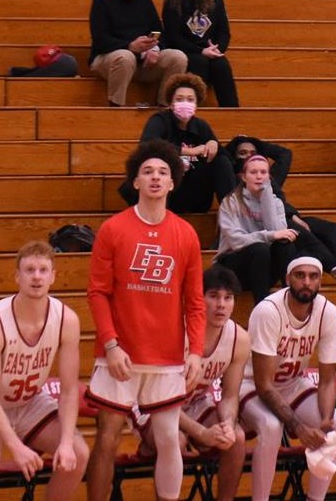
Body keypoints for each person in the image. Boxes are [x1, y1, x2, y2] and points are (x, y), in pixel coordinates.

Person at [87, 140, 206, 501]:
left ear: (173, 183)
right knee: (107, 439)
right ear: (136, 182)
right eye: (148, 172)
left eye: (163, 172)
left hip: (167, 355)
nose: (156, 178)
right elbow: (97, 293)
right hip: (118, 353)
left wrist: (196, 352)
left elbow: (195, 302)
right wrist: (110, 344)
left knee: (170, 439)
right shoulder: (112, 229)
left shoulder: (186, 233)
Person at [0, 242, 87, 501]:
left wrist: (67, 442)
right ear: (17, 276)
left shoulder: (67, 319)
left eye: (42, 270)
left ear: (53, 276)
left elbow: (70, 390)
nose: (36, 276)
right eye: (29, 270)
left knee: (79, 454)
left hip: (28, 401)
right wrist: (15, 446)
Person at [239, 257, 336, 501]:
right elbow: (264, 385)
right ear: (287, 280)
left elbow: (328, 379)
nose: (307, 282)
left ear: (320, 280)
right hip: (251, 385)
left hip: (292, 383)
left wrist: (326, 420)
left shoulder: (328, 313)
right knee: (271, 426)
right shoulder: (268, 311)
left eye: (313, 276)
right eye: (300, 275)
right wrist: (298, 426)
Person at [226, 135, 336, 286]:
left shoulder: (266, 176)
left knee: (334, 228)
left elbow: (285, 154)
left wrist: (255, 142)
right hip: (265, 225)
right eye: (242, 153)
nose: (248, 157)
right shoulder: (231, 178)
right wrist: (235, 143)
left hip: (286, 216)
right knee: (306, 236)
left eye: (253, 153)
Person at [164, 266, 250, 501]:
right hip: (154, 405)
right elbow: (161, 400)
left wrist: (228, 424)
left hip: (195, 402)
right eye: (213, 296)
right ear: (198, 299)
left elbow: (230, 395)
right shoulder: (174, 332)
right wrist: (201, 432)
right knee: (175, 440)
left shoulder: (239, 339)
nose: (221, 305)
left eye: (228, 297)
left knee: (235, 438)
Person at [89, 0, 190, 108]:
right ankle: (115, 106)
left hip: (143, 61)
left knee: (178, 57)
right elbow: (100, 39)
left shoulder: (145, 1)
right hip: (110, 58)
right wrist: (129, 46)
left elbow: (158, 31)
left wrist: (154, 49)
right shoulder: (102, 1)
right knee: (125, 57)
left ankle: (165, 107)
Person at [141, 73, 238, 214]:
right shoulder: (160, 120)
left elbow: (226, 161)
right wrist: (187, 151)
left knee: (222, 161)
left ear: (197, 104)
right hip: (168, 191)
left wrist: (214, 145)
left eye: (190, 99)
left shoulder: (201, 126)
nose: (185, 103)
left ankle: (233, 218)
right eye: (179, 99)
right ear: (171, 103)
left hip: (195, 192)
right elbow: (147, 145)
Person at [215, 153, 299, 303]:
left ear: (269, 177)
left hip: (263, 267)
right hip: (233, 267)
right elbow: (235, 241)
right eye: (253, 172)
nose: (259, 177)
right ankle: (261, 307)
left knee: (285, 245)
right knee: (259, 248)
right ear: (243, 177)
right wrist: (270, 236)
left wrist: (266, 197)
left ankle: (291, 301)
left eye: (263, 172)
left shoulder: (277, 203)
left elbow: (279, 234)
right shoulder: (230, 202)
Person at [161, 0, 239, 109]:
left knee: (221, 64)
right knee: (199, 62)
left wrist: (217, 49)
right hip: (188, 50)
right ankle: (196, 110)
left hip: (211, 49)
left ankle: (232, 111)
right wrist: (201, 51)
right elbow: (173, 37)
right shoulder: (172, 2)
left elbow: (224, 31)